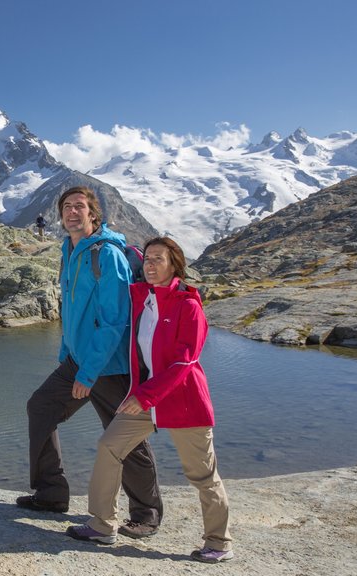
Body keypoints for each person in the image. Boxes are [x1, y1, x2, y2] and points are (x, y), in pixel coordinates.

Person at [66, 236, 234, 564]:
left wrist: (145, 396)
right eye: (148, 259)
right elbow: (109, 280)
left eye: (159, 259)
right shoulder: (142, 296)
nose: (151, 265)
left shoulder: (188, 305)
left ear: (175, 264)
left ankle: (219, 542)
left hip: (182, 400)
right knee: (109, 447)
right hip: (146, 399)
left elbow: (184, 363)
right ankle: (102, 524)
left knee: (202, 475)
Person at [18, 186, 164, 540]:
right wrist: (67, 355)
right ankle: (52, 494)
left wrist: (87, 373)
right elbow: (74, 308)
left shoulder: (106, 254)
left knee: (123, 437)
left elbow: (114, 321)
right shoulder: (70, 249)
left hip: (110, 365)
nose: (72, 212)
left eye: (79, 207)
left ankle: (146, 514)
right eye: (66, 206)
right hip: (78, 359)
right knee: (41, 407)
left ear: (93, 214)